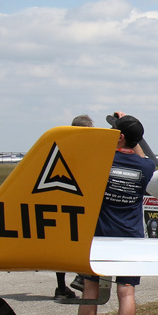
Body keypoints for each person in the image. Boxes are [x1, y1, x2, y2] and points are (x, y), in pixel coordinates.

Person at [58, 114, 156, 315]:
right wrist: (131, 130)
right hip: (131, 237)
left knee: (90, 292)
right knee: (127, 292)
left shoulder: (100, 159)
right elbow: (142, 156)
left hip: (99, 237)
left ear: (119, 136)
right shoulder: (145, 168)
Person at [53, 114, 95, 300]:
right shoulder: (86, 150)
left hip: (61, 204)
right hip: (80, 204)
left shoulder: (61, 148)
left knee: (62, 247)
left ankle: (61, 286)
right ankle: (81, 277)